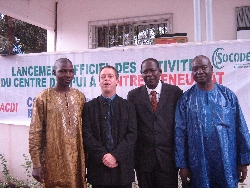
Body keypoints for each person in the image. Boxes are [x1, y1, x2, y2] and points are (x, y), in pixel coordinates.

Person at [175, 55, 250, 188]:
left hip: (226, 160)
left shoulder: (228, 96)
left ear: (211, 69)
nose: (199, 72)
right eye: (195, 69)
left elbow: (241, 128)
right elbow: (180, 134)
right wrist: (182, 165)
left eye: (203, 68)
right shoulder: (186, 100)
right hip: (197, 162)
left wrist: (243, 161)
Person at [29, 58, 86, 188]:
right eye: (63, 71)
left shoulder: (79, 97)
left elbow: (85, 130)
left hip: (77, 162)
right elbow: (35, 132)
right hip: (53, 161)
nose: (68, 75)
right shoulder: (43, 98)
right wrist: (36, 164)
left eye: (71, 71)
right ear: (54, 72)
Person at [127, 58, 183, 188]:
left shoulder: (175, 93)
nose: (149, 74)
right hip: (144, 162)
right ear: (141, 74)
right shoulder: (133, 96)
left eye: (152, 70)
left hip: (168, 161)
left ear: (160, 72)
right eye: (145, 71)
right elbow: (132, 129)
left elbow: (180, 127)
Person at [82, 65, 137, 188]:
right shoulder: (89, 107)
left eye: (110, 76)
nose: (106, 79)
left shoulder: (128, 106)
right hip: (99, 169)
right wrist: (104, 156)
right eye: (103, 77)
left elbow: (132, 134)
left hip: (122, 168)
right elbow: (87, 135)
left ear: (117, 81)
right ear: (99, 82)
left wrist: (115, 155)